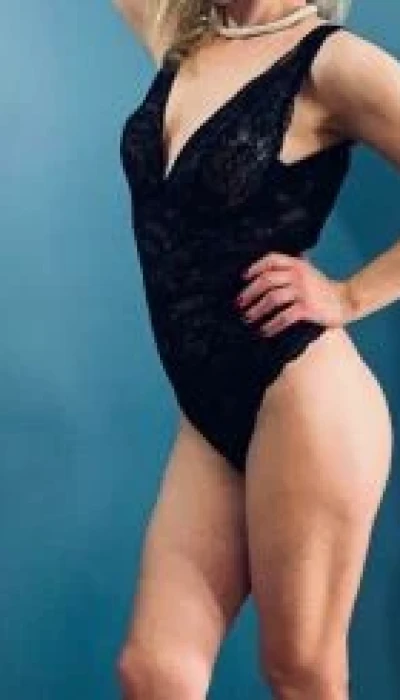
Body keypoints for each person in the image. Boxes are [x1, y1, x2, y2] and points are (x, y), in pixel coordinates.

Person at [113, 1, 399, 698]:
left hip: (301, 398)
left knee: (300, 671)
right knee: (154, 672)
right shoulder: (181, 34)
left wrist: (349, 296)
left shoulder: (330, 63)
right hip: (211, 411)